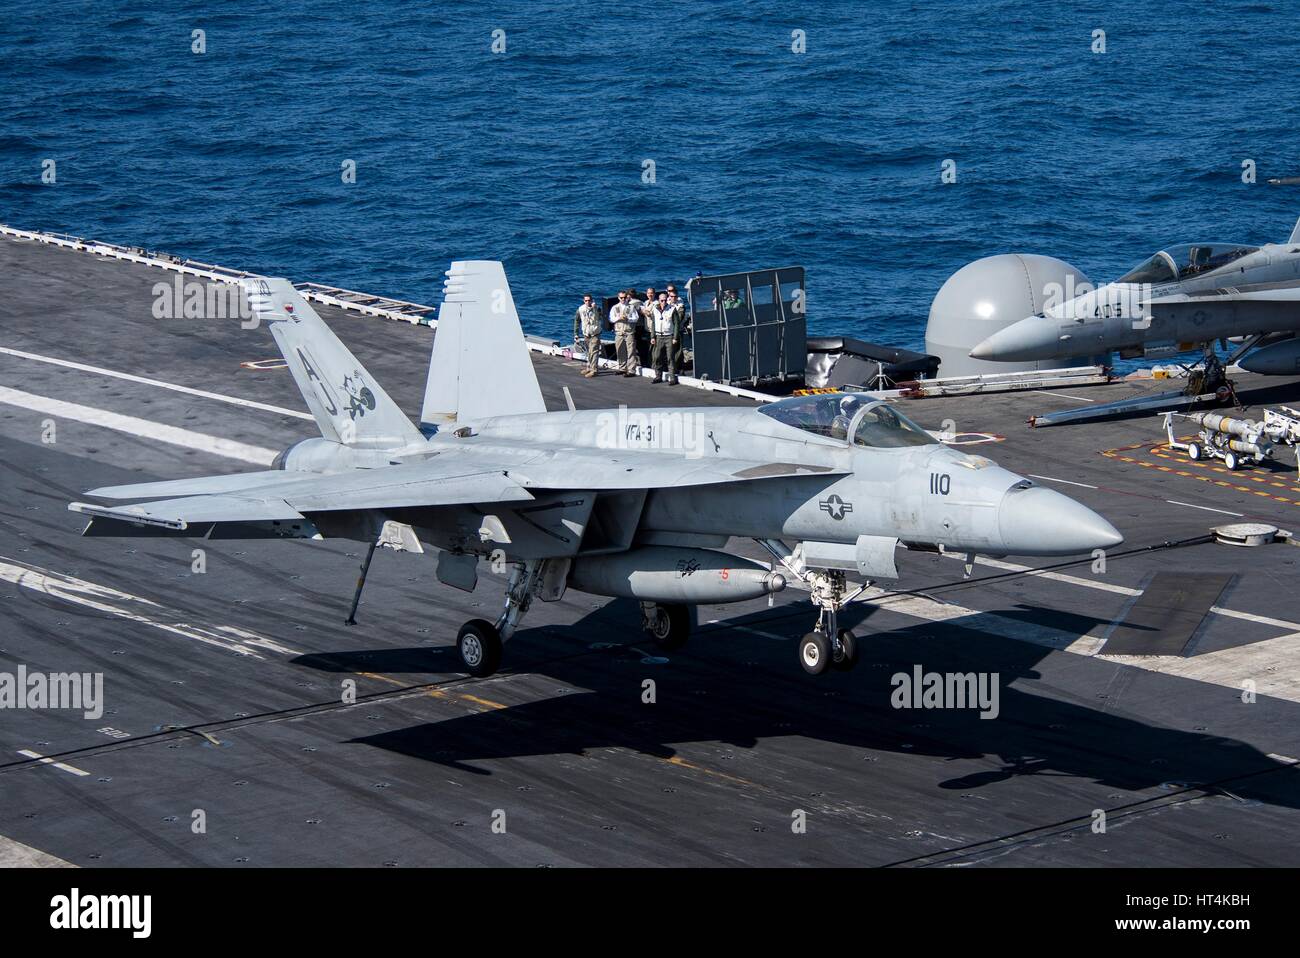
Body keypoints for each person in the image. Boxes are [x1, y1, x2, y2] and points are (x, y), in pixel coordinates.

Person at [608, 289, 639, 377]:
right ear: (618, 298)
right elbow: (611, 319)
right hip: (619, 332)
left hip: (629, 332)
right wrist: (619, 318)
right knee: (620, 350)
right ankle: (622, 367)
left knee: (631, 351)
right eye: (621, 298)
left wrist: (628, 319)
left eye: (624, 297)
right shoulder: (615, 307)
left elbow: (636, 318)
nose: (623, 299)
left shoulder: (631, 307)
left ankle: (631, 370)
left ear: (627, 297)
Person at [650, 291, 678, 385]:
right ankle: (658, 376)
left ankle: (672, 378)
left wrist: (675, 337)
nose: (663, 302)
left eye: (665, 300)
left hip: (669, 336)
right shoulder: (654, 309)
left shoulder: (672, 309)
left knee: (670, 357)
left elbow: (676, 324)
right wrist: (652, 336)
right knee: (657, 357)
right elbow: (653, 324)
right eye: (662, 300)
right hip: (658, 336)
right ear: (659, 300)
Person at [573, 293, 604, 377]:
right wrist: (576, 333)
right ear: (584, 301)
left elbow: (602, 316)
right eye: (586, 300)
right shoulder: (580, 309)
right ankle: (589, 367)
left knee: (594, 351)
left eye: (589, 300)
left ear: (592, 300)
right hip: (586, 334)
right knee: (589, 352)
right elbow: (577, 321)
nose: (587, 302)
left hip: (595, 333)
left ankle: (594, 370)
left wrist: (595, 309)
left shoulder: (597, 308)